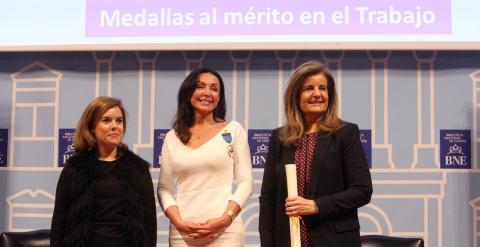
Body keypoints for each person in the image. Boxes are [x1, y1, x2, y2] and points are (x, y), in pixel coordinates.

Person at [259, 61, 373, 247]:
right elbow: (268, 199)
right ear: (296, 95)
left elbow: (362, 191)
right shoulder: (279, 138)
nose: (317, 94)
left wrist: (316, 205)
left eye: (323, 88)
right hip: (287, 240)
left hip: (334, 240)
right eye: (309, 88)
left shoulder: (346, 133)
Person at [157, 68, 253, 246]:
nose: (207, 93)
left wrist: (225, 219)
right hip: (183, 234)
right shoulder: (172, 137)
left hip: (225, 232)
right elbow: (164, 188)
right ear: (189, 93)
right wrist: (178, 222)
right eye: (200, 87)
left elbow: (246, 181)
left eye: (214, 89)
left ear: (219, 98)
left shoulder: (233, 130)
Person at [51, 96, 157, 247]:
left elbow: (149, 223)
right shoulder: (74, 168)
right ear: (92, 127)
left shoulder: (138, 168)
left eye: (119, 121)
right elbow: (59, 223)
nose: (115, 126)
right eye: (106, 120)